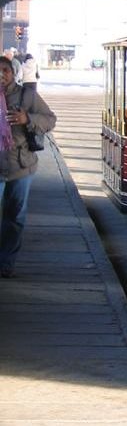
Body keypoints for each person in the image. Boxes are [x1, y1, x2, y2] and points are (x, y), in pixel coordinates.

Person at [0, 55, 56, 278]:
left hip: (20, 167)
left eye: (6, 70)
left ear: (13, 73)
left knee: (14, 217)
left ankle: (6, 263)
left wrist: (28, 119)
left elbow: (50, 119)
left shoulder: (27, 95)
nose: (2, 74)